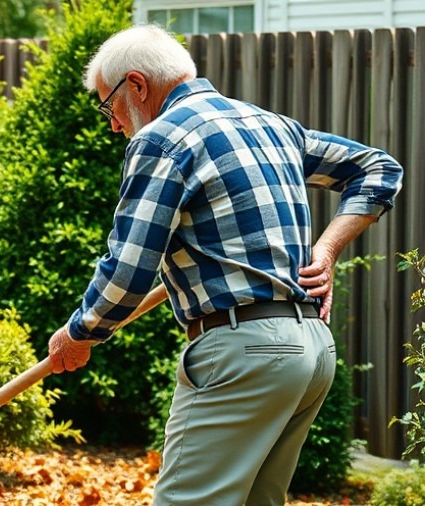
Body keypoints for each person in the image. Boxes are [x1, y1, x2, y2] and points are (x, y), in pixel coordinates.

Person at [46, 24, 404, 505]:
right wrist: (329, 247)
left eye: (109, 106)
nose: (113, 123)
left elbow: (129, 268)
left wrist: (80, 332)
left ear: (136, 85)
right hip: (313, 352)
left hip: (245, 354)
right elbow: (379, 168)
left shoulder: (162, 139)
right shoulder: (271, 125)